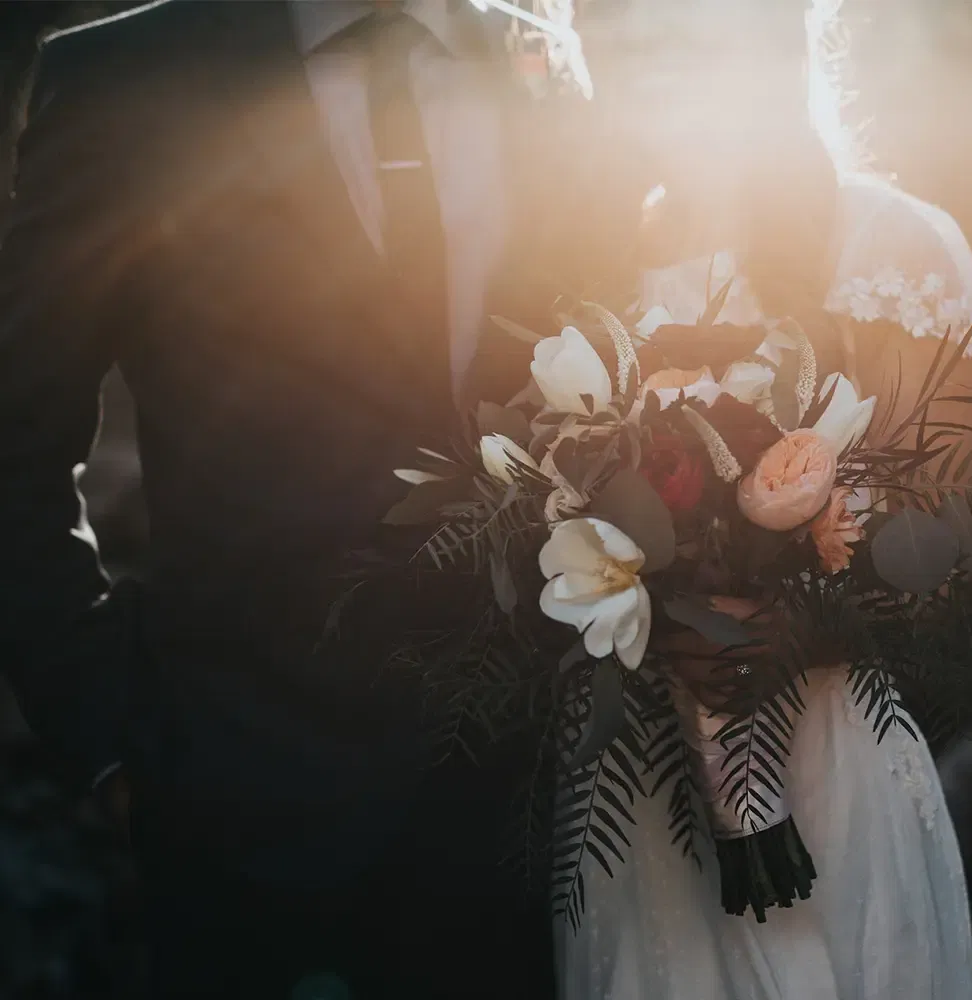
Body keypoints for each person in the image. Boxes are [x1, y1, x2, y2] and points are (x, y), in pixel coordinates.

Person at [0, 1, 618, 996]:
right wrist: (111, 734)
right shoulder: (126, 77)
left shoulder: (537, 61)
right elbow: (17, 441)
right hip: (239, 800)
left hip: (522, 808)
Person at [558, 2, 972, 998]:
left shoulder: (892, 244)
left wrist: (782, 621)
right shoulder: (577, 267)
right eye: (608, 23)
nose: (641, 46)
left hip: (832, 762)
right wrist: (642, 619)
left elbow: (954, 544)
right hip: (631, 795)